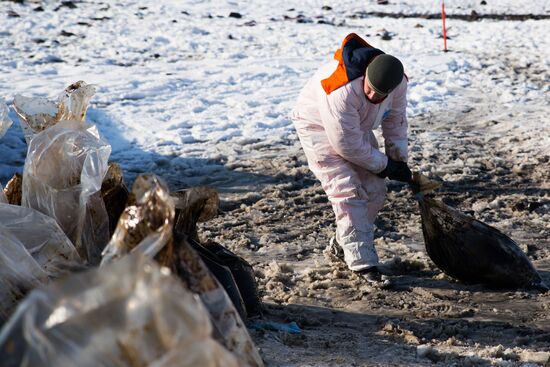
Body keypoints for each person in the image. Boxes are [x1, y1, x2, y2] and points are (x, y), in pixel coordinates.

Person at [291, 33, 412, 282]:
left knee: (376, 189)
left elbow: (395, 120)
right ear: (365, 76)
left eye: (382, 95)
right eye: (371, 91)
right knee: (347, 190)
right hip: (318, 127)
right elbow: (346, 145)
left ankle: (343, 243)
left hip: (355, 128)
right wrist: (384, 164)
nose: (375, 98)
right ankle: (362, 263)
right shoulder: (341, 91)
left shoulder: (398, 84)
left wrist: (397, 160)